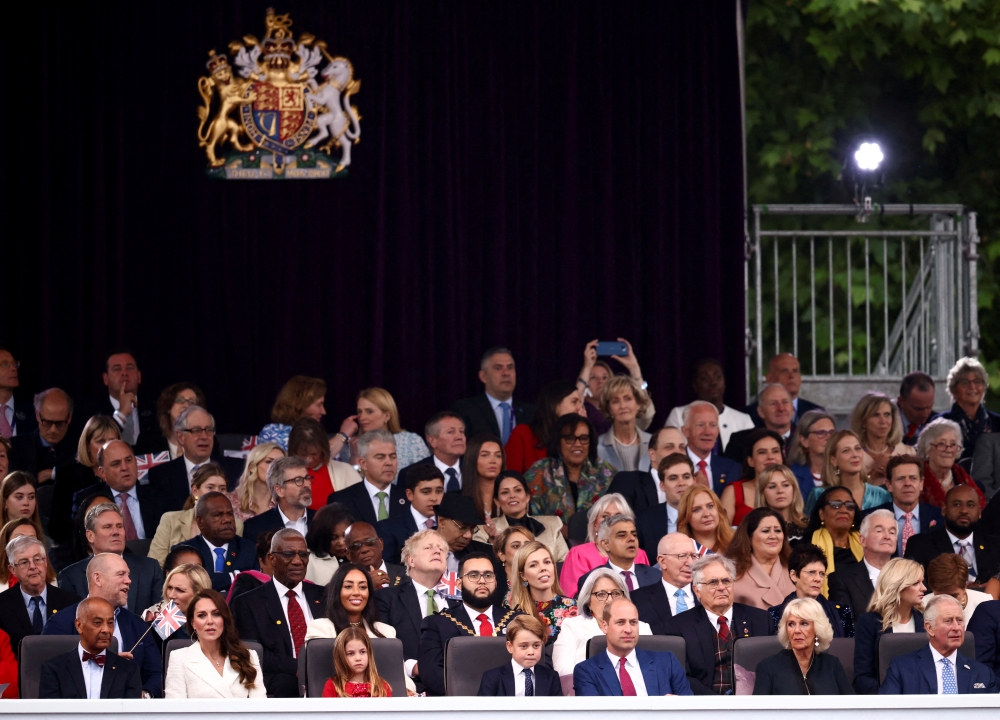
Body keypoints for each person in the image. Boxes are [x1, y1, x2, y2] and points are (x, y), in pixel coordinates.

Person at [42, 553, 163, 697]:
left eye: (128, 575)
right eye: (121, 574)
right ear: (98, 579)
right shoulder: (60, 623)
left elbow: (155, 673)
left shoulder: (138, 626)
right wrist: (107, 664)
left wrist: (143, 695)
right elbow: (51, 674)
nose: (129, 580)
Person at [230, 529, 325, 697]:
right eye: (289, 554)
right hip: (279, 682)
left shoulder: (324, 596)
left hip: (324, 674)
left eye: (303, 554)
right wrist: (300, 667)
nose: (298, 561)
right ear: (272, 559)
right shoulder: (249, 602)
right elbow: (253, 652)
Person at [417, 552, 524, 696]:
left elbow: (538, 664)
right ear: (459, 584)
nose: (482, 581)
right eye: (473, 575)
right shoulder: (437, 624)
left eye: (488, 575)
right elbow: (431, 673)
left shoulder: (518, 621)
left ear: (496, 582)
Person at [663, 555, 773, 695]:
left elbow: (772, 669)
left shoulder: (761, 620)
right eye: (713, 582)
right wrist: (715, 705)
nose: (721, 587)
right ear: (697, 590)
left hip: (753, 706)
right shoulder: (678, 626)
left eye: (726, 581)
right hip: (703, 707)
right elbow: (682, 675)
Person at [375, 529, 450, 691]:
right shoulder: (387, 599)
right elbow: (380, 647)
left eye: (441, 549)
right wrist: (413, 667)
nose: (437, 550)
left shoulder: (459, 600)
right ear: (411, 560)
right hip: (406, 688)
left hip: (456, 689)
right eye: (428, 548)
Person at [58, 501, 164, 615]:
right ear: (90, 536)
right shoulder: (70, 577)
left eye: (119, 526)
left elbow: (161, 619)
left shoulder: (150, 568)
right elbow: (70, 622)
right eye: (107, 527)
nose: (115, 532)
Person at [880, 594, 997, 693]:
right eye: (948, 621)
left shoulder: (983, 673)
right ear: (930, 628)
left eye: (960, 620)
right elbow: (885, 712)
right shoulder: (902, 669)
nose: (956, 627)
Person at [574, 597, 691, 696]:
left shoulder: (667, 662)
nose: (628, 630)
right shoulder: (586, 671)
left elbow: (690, 710)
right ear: (605, 626)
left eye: (633, 622)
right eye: (620, 622)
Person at [552, 567, 653, 678]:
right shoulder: (572, 627)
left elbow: (651, 670)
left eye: (616, 593)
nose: (609, 600)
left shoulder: (643, 628)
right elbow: (563, 671)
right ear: (588, 601)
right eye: (601, 594)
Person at [164, 587, 265, 697]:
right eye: (202, 615)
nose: (210, 621)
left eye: (216, 614)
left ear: (224, 619)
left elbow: (261, 709)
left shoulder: (249, 656)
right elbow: (176, 710)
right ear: (193, 623)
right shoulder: (179, 658)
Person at [526, 414, 616, 533]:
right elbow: (528, 517)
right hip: (550, 545)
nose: (578, 444)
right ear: (558, 441)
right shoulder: (539, 471)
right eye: (570, 438)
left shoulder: (607, 473)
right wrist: (564, 531)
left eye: (583, 438)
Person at [38, 596, 143, 699]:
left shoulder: (129, 671)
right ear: (79, 625)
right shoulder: (54, 669)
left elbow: (130, 715)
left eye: (110, 623)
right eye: (98, 623)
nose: (106, 630)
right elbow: (50, 715)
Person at [145, 406, 243, 512]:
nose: (204, 436)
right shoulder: (161, 476)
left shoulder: (237, 469)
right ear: (181, 437)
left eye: (209, 430)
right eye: (196, 430)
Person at [852, 557, 926, 693]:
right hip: (884, 703)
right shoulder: (869, 622)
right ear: (897, 586)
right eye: (916, 583)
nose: (924, 588)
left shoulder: (926, 620)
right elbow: (863, 677)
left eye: (922, 582)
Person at [149, 464, 245, 567]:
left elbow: (234, 563)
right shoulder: (170, 520)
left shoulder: (235, 524)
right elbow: (155, 565)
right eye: (210, 487)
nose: (217, 493)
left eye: (222, 489)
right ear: (195, 491)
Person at [0, 535, 80, 659]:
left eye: (37, 559)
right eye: (24, 562)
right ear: (12, 569)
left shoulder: (71, 602)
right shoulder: (2, 605)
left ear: (46, 562)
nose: (32, 566)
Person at [754, 597, 854, 694]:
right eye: (791, 624)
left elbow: (852, 707)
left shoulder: (832, 665)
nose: (797, 630)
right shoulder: (768, 668)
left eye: (804, 623)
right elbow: (759, 710)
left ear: (817, 629)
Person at [71, 439, 166, 542]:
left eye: (129, 460)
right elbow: (80, 542)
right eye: (116, 464)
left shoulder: (158, 496)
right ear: (102, 472)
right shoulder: (88, 500)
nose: (125, 467)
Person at [558, 493, 651, 596]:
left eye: (618, 516)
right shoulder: (579, 554)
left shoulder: (639, 554)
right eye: (605, 516)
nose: (611, 521)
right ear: (595, 525)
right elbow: (573, 598)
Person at [905, 484, 1000, 584]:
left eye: (970, 505)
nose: (964, 510)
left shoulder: (996, 545)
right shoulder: (920, 544)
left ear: (979, 513)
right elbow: (912, 587)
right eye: (957, 504)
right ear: (944, 510)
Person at [49, 415, 121, 543]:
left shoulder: (125, 472)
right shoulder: (68, 475)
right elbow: (59, 527)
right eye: (100, 441)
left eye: (111, 441)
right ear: (87, 446)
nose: (106, 447)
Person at [170, 492, 257, 592]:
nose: (227, 519)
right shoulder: (184, 551)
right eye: (218, 515)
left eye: (229, 514)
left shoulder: (250, 550)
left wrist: (207, 579)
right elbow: (187, 586)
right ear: (200, 521)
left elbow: (254, 586)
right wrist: (233, 576)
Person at [474, 470, 568, 562]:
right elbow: (479, 566)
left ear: (527, 497)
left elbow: (566, 565)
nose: (512, 495)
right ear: (497, 501)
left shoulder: (552, 525)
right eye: (505, 492)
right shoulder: (483, 530)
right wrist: (492, 543)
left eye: (518, 490)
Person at [665, 359, 755, 453]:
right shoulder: (679, 415)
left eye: (718, 377)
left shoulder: (744, 420)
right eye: (705, 378)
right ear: (695, 385)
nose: (713, 383)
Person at [335, 387, 430, 475]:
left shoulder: (411, 441)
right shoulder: (352, 445)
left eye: (369, 411)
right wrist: (355, 457)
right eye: (359, 412)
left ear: (387, 416)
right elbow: (350, 485)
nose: (362, 417)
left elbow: (426, 478)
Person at [451, 348, 536, 442]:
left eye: (510, 367)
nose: (506, 373)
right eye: (498, 368)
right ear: (483, 376)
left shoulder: (531, 413)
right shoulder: (465, 409)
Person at [865, 455, 944, 556]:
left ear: (921, 483)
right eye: (900, 479)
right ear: (889, 485)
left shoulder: (940, 517)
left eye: (913, 478)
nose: (907, 483)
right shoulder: (871, 518)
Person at [827, 509, 897, 622]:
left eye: (892, 532)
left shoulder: (910, 578)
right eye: (879, 531)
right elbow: (845, 626)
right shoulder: (842, 579)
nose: (887, 536)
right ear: (863, 540)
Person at [580, 339, 657, 437]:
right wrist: (587, 367)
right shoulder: (581, 412)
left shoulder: (623, 414)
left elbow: (646, 414)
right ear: (585, 383)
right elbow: (571, 408)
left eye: (605, 377)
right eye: (593, 377)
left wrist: (634, 369)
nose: (601, 381)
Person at [768, 544, 847, 639]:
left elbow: (848, 649)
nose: (818, 579)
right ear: (793, 575)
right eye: (811, 572)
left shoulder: (841, 612)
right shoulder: (774, 614)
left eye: (822, 574)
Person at [506, 381, 585, 474]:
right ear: (555, 404)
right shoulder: (523, 434)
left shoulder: (579, 440)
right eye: (574, 402)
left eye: (580, 403)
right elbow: (509, 478)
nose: (580, 408)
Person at [331, 430, 407, 526]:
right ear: (364, 463)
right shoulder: (341, 501)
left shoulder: (409, 498)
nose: (389, 462)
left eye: (393, 457)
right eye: (380, 457)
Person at [804, 430, 891, 514]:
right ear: (833, 460)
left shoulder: (882, 495)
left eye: (857, 448)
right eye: (846, 450)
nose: (855, 455)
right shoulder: (819, 495)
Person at [507, 541, 577, 644]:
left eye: (547, 562)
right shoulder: (513, 607)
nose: (543, 568)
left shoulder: (574, 608)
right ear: (523, 576)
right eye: (533, 565)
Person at [609, 427, 690, 516]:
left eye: (682, 447)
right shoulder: (627, 482)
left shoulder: (693, 489)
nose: (678, 452)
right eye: (669, 447)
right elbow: (612, 524)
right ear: (652, 455)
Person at [727, 508, 795, 611]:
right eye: (766, 531)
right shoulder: (731, 575)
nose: (773, 536)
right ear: (749, 537)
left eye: (777, 530)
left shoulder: (796, 569)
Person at [631, 533, 699, 635]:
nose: (690, 563)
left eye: (693, 556)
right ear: (662, 561)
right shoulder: (638, 600)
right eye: (682, 556)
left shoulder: (708, 595)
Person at [304, 563, 394, 640]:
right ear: (337, 591)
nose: (356, 592)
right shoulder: (320, 628)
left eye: (362, 587)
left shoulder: (386, 631)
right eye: (348, 586)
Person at [577, 514, 661, 595]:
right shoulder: (591, 580)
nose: (632, 538)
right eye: (622, 535)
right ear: (606, 545)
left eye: (634, 535)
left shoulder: (656, 576)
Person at [479, 614, 562, 695]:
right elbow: (482, 708)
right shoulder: (492, 677)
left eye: (536, 645)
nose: (531, 652)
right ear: (510, 647)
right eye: (524, 646)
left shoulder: (551, 677)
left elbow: (557, 708)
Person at [288, 418, 363, 507]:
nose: (309, 459)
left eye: (314, 454)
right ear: (294, 452)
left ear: (323, 449)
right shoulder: (283, 474)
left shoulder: (345, 470)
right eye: (303, 455)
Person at [378, 464, 444, 565]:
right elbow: (389, 569)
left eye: (439, 491)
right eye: (426, 492)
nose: (434, 498)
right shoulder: (388, 529)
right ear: (410, 494)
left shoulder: (450, 524)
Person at [97, 350, 161, 455]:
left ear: (139, 376)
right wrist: (121, 414)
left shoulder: (156, 409)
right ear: (105, 378)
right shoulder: (92, 413)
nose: (124, 373)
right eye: (117, 369)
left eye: (130, 368)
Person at [635, 454, 697, 560]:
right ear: (662, 486)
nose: (681, 483)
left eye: (686, 477)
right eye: (673, 478)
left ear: (694, 481)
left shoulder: (711, 516)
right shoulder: (644, 520)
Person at [434, 493, 506, 582]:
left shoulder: (487, 555)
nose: (468, 535)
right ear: (442, 522)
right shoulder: (417, 550)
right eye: (462, 527)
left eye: (472, 529)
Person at [803, 487, 862, 595]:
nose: (844, 510)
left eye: (849, 506)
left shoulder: (866, 543)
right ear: (821, 514)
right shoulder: (806, 548)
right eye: (835, 505)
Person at [243, 456, 317, 541]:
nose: (306, 484)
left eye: (307, 478)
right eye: (298, 480)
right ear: (279, 490)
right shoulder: (255, 527)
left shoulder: (323, 521)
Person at [917, 417, 986, 509]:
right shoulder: (914, 483)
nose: (948, 450)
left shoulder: (974, 485)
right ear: (926, 449)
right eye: (941, 444)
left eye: (953, 444)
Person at [851, 391, 918, 484]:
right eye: (875, 415)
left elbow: (916, 488)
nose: (883, 421)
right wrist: (872, 473)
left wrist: (893, 473)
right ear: (863, 422)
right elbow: (848, 492)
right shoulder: (853, 455)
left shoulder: (907, 452)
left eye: (887, 415)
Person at [10, 388, 75, 483]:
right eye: (47, 423)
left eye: (60, 423)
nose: (53, 430)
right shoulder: (16, 447)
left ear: (69, 418)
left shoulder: (80, 447)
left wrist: (52, 473)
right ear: (37, 415)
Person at [941, 356, 1000, 462]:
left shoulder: (997, 422)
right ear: (954, 388)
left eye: (977, 382)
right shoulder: (941, 423)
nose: (972, 387)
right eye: (965, 382)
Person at [721, 429, 784, 526]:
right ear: (751, 461)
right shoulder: (734, 491)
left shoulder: (790, 488)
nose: (770, 457)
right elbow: (721, 532)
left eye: (775, 451)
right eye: (762, 452)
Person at [681, 401, 743, 496]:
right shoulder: (673, 466)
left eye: (713, 425)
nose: (708, 432)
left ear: (718, 431)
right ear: (686, 431)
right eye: (700, 425)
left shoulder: (733, 469)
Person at [745, 353, 824, 426]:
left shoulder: (817, 413)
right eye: (784, 371)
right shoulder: (749, 415)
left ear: (800, 379)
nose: (791, 376)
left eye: (795, 371)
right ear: (769, 378)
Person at [397, 411, 467, 492]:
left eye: (461, 431)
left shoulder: (476, 469)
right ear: (432, 440)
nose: (459, 437)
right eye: (450, 432)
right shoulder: (410, 474)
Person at [596, 376, 652, 473]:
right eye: (616, 401)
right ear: (609, 408)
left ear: (638, 403)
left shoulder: (653, 443)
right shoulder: (597, 446)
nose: (622, 406)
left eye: (628, 399)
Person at [727, 384, 795, 464]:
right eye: (774, 403)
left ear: (793, 409)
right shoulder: (740, 441)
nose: (781, 408)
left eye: (785, 402)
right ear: (761, 411)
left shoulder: (807, 438)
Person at [257, 375, 328, 451]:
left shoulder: (316, 432)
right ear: (300, 404)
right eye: (319, 405)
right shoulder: (272, 432)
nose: (324, 412)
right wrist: (341, 436)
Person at [322, 626, 392, 697]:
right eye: (351, 653)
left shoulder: (382, 687)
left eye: (362, 652)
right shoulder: (332, 685)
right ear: (341, 656)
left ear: (369, 654)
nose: (358, 658)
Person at [924, 554, 993, 625]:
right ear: (932, 589)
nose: (948, 602)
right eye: (941, 596)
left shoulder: (985, 602)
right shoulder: (921, 607)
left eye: (953, 596)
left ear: (965, 587)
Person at [143, 563, 211, 633]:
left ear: (199, 593)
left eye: (180, 590)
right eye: (169, 588)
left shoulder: (214, 620)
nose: (171, 595)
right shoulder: (161, 615)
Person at [786, 410, 837, 499]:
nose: (828, 437)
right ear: (804, 441)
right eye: (821, 433)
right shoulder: (791, 475)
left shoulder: (843, 471)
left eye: (831, 432)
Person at [228, 442, 284, 521]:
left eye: (281, 464)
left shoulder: (285, 504)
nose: (276, 468)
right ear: (251, 467)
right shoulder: (230, 502)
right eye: (269, 462)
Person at [755, 465, 809, 541]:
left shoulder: (810, 526)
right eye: (772, 487)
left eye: (785, 485)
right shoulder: (753, 527)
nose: (780, 491)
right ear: (762, 493)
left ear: (794, 489)